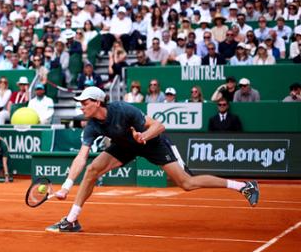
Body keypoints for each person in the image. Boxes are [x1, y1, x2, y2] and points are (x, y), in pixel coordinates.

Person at [45, 86, 258, 233]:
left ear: (98, 102)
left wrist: (143, 136)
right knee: (92, 169)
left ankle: (244, 186)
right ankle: (72, 220)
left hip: (152, 142)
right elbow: (81, 157)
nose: (81, 106)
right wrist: (65, 186)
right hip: (125, 146)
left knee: (187, 183)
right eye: (80, 103)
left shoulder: (122, 109)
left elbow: (159, 125)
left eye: (84, 102)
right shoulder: (92, 125)